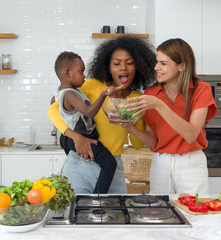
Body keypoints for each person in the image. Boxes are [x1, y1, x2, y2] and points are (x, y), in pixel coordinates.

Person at [47, 37, 156, 193]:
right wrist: (76, 137)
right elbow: (53, 109)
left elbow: (138, 145)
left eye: (130, 63)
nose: (123, 68)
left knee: (116, 215)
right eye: (117, 63)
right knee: (78, 214)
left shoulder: (137, 98)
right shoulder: (90, 85)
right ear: (108, 66)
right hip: (81, 164)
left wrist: (135, 122)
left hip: (113, 168)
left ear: (138, 66)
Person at [118, 38, 218, 195]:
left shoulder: (201, 90)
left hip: (191, 164)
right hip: (160, 163)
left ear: (182, 66)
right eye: (157, 62)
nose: (156, 68)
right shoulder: (151, 93)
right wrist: (129, 127)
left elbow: (191, 134)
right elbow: (153, 140)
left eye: (163, 63)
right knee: (161, 213)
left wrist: (159, 105)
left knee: (194, 216)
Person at [53, 51, 117, 193]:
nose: (84, 76)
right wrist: (103, 94)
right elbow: (89, 112)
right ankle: (98, 198)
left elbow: (54, 101)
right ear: (67, 73)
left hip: (71, 138)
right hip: (85, 138)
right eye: (81, 71)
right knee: (110, 164)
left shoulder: (66, 91)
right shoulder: (69, 94)